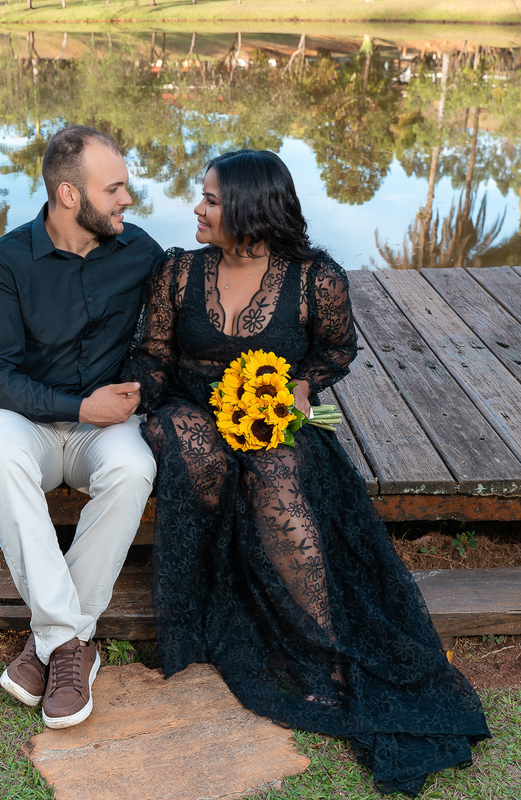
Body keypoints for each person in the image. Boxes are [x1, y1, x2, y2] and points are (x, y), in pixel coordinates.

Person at [123, 149, 490, 796]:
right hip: (187, 407)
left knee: (277, 475)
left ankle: (323, 653)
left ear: (249, 209)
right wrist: (137, 400)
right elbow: (153, 353)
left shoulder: (316, 278)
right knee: (196, 453)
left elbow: (337, 349)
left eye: (210, 199)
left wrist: (297, 387)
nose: (197, 209)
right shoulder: (177, 272)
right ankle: (189, 639)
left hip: (269, 416)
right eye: (202, 197)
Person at [0, 125, 162, 729]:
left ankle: (50, 642)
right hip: (32, 421)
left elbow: (168, 344)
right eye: (115, 189)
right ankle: (72, 642)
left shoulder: (142, 254)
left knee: (135, 467)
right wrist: (80, 408)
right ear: (70, 196)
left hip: (105, 430)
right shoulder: (4, 262)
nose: (127, 199)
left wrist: (134, 391)